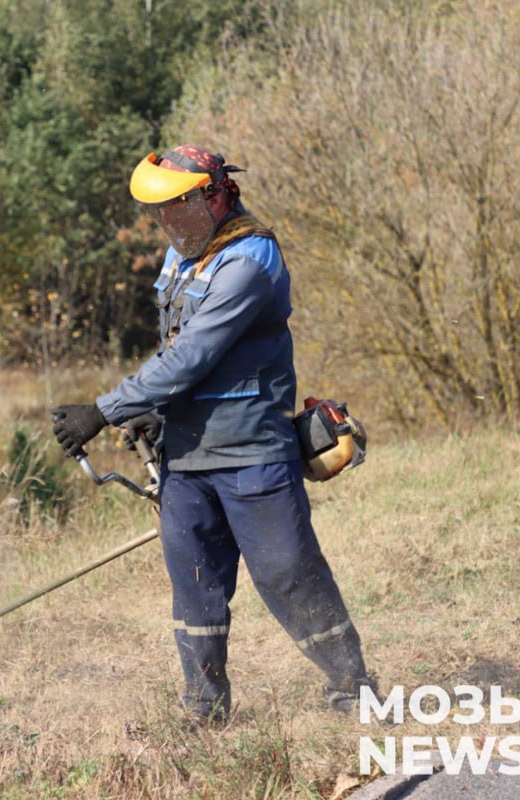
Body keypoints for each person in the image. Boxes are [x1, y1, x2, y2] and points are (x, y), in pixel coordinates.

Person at [51, 145, 375, 721]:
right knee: (195, 586)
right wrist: (155, 410)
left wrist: (105, 409)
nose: (168, 225)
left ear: (214, 195)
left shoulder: (251, 259)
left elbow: (196, 354)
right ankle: (205, 708)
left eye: (177, 210)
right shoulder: (183, 258)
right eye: (160, 215)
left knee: (287, 575)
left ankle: (354, 688)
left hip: (252, 452)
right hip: (186, 458)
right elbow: (174, 346)